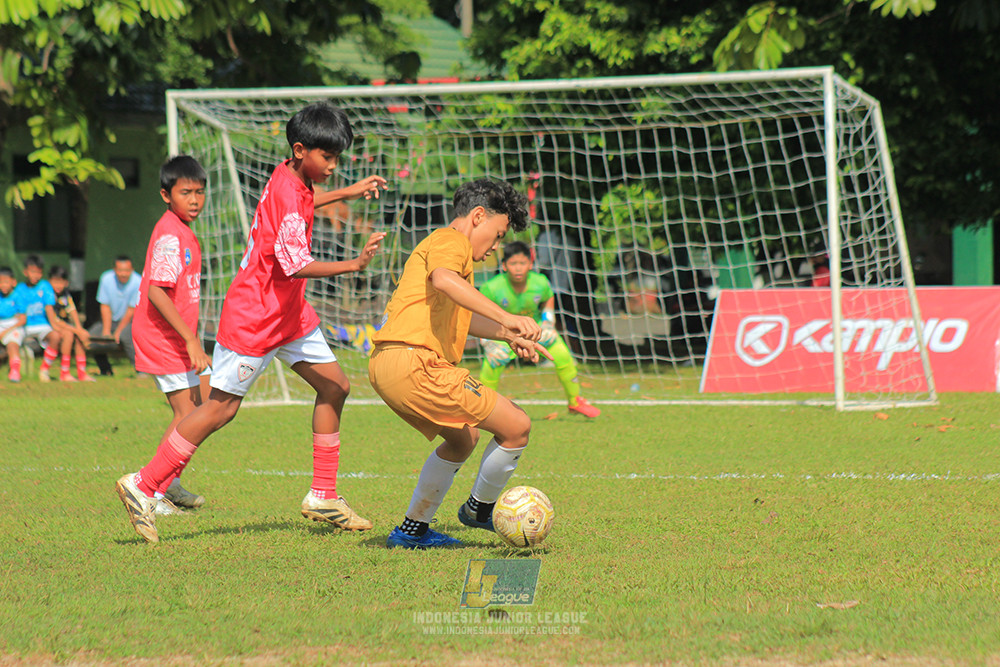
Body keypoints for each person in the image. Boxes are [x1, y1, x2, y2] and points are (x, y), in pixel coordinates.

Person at [115, 101, 388, 543]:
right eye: (328, 157)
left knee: (336, 384)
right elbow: (296, 263)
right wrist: (354, 264)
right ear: (301, 150)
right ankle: (143, 485)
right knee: (220, 409)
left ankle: (323, 495)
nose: (334, 166)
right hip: (257, 316)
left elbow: (306, 201)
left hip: (290, 314)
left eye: (338, 158)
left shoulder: (291, 175)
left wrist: (348, 191)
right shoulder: (286, 190)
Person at [368, 178, 548, 549]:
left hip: (389, 363)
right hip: (415, 363)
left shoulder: (440, 248)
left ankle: (411, 531)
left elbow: (461, 315)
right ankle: (480, 511)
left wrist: (508, 333)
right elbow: (445, 280)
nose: (495, 249)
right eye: (497, 236)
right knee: (517, 426)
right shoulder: (451, 242)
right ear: (478, 216)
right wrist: (508, 316)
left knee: (463, 438)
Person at [130, 155, 214, 515]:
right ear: (166, 195)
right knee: (187, 412)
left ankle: (168, 481)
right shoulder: (168, 234)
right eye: (185, 193)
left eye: (199, 192)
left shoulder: (183, 231)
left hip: (178, 338)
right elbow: (156, 291)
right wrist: (191, 339)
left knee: (207, 404)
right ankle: (152, 489)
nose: (194, 200)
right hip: (162, 337)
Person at [479, 240, 600, 418]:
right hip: (504, 335)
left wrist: (548, 322)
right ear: (504, 266)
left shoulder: (541, 282)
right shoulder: (491, 288)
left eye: (522, 263)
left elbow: (548, 298)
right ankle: (482, 408)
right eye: (513, 263)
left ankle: (575, 401)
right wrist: (487, 342)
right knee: (492, 364)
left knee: (563, 356)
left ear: (531, 264)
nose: (518, 268)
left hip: (535, 332)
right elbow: (480, 315)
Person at [12, 255, 62, 382]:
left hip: (42, 325)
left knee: (55, 336)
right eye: (33, 272)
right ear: (25, 272)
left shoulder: (45, 286)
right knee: (12, 342)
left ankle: (44, 369)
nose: (36, 275)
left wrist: (55, 326)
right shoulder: (19, 289)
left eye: (39, 272)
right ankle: (14, 372)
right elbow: (16, 310)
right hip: (24, 326)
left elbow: (49, 308)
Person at [88, 255, 140, 376]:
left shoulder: (138, 281)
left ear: (132, 270)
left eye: (127, 271)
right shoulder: (106, 278)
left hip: (131, 321)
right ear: (114, 269)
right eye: (120, 270)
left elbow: (131, 310)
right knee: (93, 336)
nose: (123, 274)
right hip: (109, 320)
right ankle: (105, 370)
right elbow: (105, 306)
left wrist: (118, 332)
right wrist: (106, 331)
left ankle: (140, 371)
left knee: (126, 337)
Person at [48, 266, 95, 382]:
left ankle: (82, 373)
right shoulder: (48, 296)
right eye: (55, 282)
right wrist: (77, 330)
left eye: (61, 282)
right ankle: (64, 373)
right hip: (51, 326)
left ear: (66, 283)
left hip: (63, 325)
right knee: (69, 335)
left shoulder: (65, 294)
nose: (58, 285)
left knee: (79, 337)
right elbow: (55, 321)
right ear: (49, 282)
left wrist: (79, 328)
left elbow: (72, 310)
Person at [0, 266, 27, 382]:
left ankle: (15, 371)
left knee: (12, 344)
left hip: (14, 326)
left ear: (13, 282)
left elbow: (22, 320)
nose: (3, 285)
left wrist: (6, 331)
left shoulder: (18, 296)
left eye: (6, 282)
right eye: (0, 282)